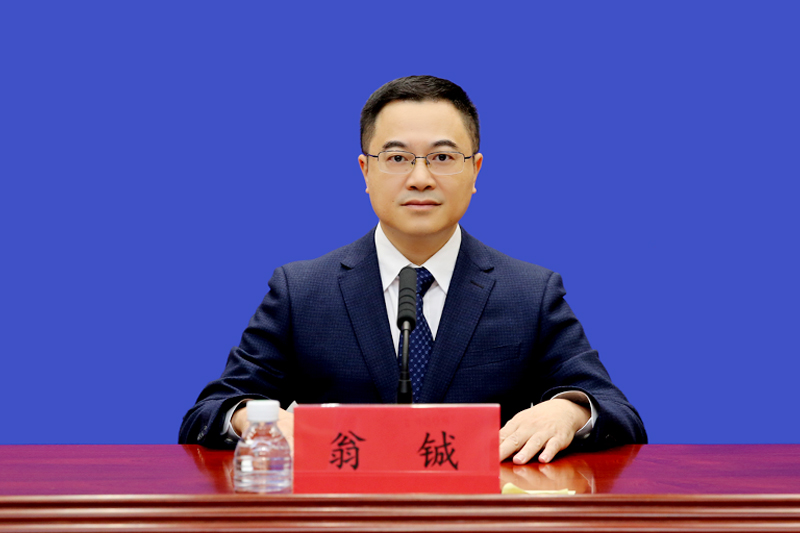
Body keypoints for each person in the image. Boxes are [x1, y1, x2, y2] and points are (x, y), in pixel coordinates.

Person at [179, 75, 647, 464]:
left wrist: (567, 411)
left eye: (442, 158)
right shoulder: (302, 292)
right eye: (397, 158)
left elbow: (618, 413)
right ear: (365, 171)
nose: (420, 178)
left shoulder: (529, 293)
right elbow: (208, 413)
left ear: (475, 170)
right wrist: (254, 418)